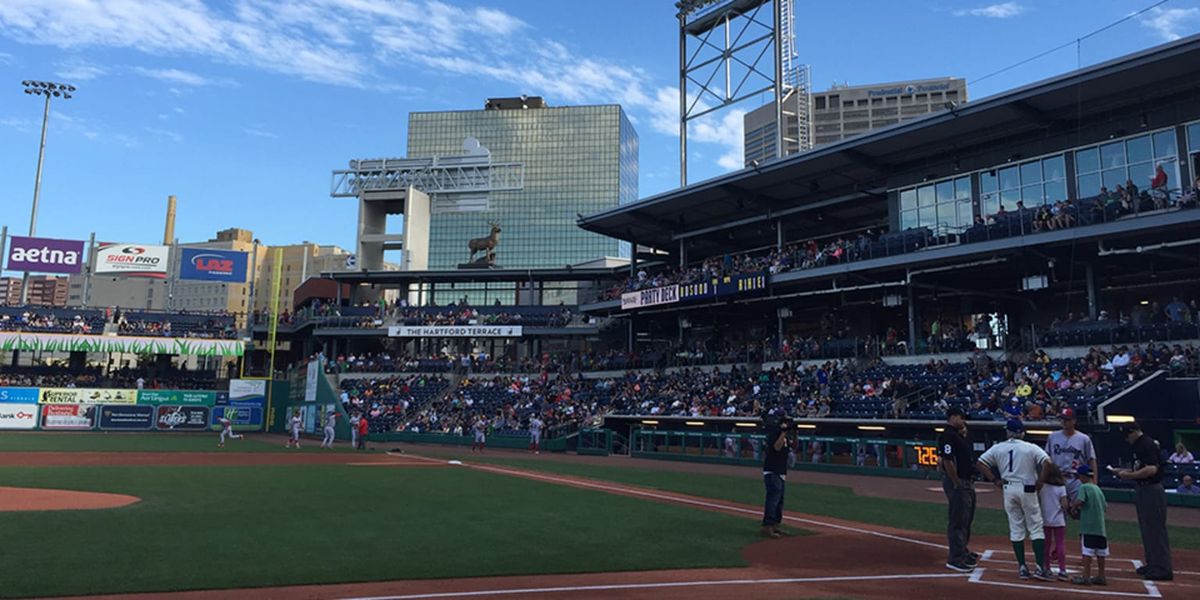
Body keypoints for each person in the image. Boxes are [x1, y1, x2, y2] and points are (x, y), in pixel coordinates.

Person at [976, 419, 1053, 581]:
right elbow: (1047, 463)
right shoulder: (1030, 447)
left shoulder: (998, 447)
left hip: (1008, 488)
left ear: (1009, 432)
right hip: (1028, 487)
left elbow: (980, 463)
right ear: (1022, 432)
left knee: (1016, 527)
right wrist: (1041, 481)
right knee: (1035, 527)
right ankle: (1040, 567)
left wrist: (994, 480)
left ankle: (1022, 567)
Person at [1114, 422, 1172, 581]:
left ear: (1133, 432)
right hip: (1144, 488)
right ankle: (1153, 563)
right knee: (1147, 527)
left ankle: (1162, 567)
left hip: (1151, 488)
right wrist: (1126, 472)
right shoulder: (1140, 445)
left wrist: (1130, 475)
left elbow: (1151, 469)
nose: (1126, 439)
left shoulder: (1145, 444)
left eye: (1127, 435)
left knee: (1155, 529)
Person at [938, 407, 979, 572]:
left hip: (965, 481)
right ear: (953, 417)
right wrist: (956, 482)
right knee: (958, 521)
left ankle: (962, 550)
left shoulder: (957, 436)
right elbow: (947, 461)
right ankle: (956, 558)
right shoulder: (948, 435)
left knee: (966, 519)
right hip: (958, 482)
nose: (964, 421)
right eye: (961, 418)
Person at [1044, 408, 1097, 500]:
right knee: (1057, 512)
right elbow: (1047, 459)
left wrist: (1094, 482)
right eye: (1062, 419)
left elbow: (1091, 460)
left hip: (1077, 479)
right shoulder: (1053, 436)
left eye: (1067, 419)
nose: (1064, 422)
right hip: (1057, 479)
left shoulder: (1084, 439)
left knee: (1078, 510)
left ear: (1074, 421)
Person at [1070, 464, 1109, 586]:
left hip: (1088, 527)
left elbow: (1081, 500)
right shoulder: (1098, 489)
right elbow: (1105, 507)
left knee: (1087, 552)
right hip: (1101, 528)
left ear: (1082, 476)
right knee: (1101, 553)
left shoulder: (1084, 487)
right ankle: (1101, 576)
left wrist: (1073, 507)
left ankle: (1086, 577)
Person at [761, 412, 791, 538]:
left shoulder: (785, 436)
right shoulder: (773, 433)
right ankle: (767, 526)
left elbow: (795, 446)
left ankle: (776, 526)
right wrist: (783, 432)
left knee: (779, 501)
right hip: (772, 470)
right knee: (773, 500)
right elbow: (777, 447)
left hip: (781, 470)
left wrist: (794, 432)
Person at [1039, 463, 1070, 580]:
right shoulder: (1061, 488)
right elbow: (1064, 505)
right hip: (1058, 519)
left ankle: (1046, 567)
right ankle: (1062, 570)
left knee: (1046, 545)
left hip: (1045, 519)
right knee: (1060, 544)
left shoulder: (1042, 487)